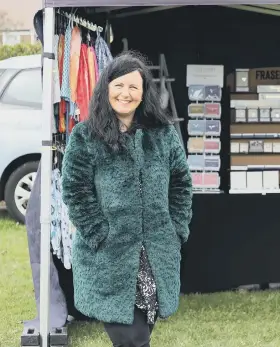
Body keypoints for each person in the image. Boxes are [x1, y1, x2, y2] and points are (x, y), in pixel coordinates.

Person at [61, 51, 193, 347]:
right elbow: (74, 189)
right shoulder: (85, 136)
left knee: (141, 335)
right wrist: (99, 233)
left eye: (134, 87)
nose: (126, 93)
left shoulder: (163, 134)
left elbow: (181, 185)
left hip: (156, 257)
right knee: (133, 341)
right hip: (110, 258)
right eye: (119, 85)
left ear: (144, 93)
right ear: (106, 88)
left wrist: (176, 230)